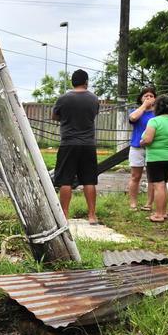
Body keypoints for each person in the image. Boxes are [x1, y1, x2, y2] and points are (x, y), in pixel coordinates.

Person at [52, 69, 100, 223]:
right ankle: (92, 215)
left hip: (68, 144)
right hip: (88, 144)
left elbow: (54, 116)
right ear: (86, 82)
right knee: (89, 180)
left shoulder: (63, 98)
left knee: (65, 180)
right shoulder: (94, 99)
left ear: (72, 82)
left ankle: (64, 215)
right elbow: (93, 114)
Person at [140, 95, 168, 223]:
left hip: (156, 158)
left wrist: (142, 142)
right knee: (163, 184)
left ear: (157, 107)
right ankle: (163, 212)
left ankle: (158, 214)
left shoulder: (154, 121)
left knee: (158, 185)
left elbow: (148, 140)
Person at [127, 87, 157, 210]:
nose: (148, 98)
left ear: (155, 98)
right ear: (141, 98)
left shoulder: (158, 113)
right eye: (146, 96)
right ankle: (133, 203)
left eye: (151, 96)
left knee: (152, 176)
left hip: (153, 148)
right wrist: (144, 106)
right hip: (137, 147)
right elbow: (133, 118)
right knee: (135, 176)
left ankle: (149, 204)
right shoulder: (136, 110)